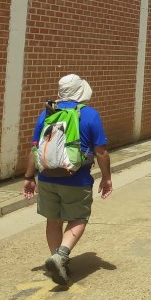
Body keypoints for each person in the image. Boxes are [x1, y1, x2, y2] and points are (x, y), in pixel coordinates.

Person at [21, 74, 113, 285]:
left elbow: (35, 148)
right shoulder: (89, 114)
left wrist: (29, 177)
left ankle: (56, 258)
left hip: (47, 178)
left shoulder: (47, 113)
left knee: (53, 220)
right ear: (81, 91)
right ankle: (61, 256)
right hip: (77, 179)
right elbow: (101, 151)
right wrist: (106, 178)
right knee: (79, 217)